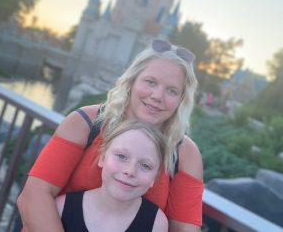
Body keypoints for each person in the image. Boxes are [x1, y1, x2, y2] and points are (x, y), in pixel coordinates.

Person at [17, 39, 204, 232]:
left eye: (172, 90)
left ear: (181, 100)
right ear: (132, 81)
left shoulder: (185, 154)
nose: (157, 95)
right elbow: (33, 195)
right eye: (150, 82)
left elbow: (185, 229)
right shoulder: (85, 123)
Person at [55, 120, 168, 232]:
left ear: (155, 178)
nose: (130, 171)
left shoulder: (156, 224)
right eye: (121, 156)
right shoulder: (61, 208)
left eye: (145, 165)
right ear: (103, 158)